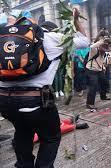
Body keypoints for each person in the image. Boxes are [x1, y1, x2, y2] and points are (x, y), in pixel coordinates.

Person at [0, 9, 89, 167]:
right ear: (53, 30)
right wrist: (75, 20)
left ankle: (23, 165)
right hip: (35, 99)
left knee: (22, 131)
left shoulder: (6, 39)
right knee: (51, 137)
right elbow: (84, 41)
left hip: (5, 100)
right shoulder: (52, 38)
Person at [85, 38, 111, 111]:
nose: (105, 50)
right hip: (91, 70)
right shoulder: (94, 51)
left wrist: (103, 67)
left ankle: (103, 96)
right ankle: (89, 103)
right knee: (93, 86)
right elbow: (91, 47)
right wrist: (101, 41)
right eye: (103, 48)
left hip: (99, 70)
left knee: (105, 82)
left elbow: (101, 61)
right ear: (100, 46)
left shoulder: (103, 53)